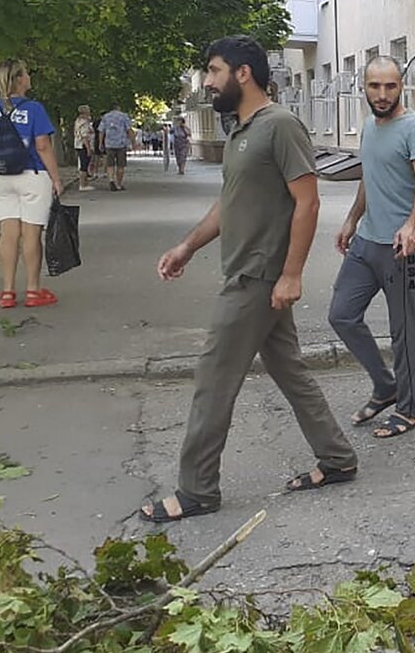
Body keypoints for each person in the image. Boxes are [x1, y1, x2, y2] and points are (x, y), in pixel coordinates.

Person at [139, 35, 357, 523]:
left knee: (213, 381)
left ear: (243, 73)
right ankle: (338, 457)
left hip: (257, 277)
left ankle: (196, 489)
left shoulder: (280, 126)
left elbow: (308, 201)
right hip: (248, 271)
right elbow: (229, 202)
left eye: (214, 71)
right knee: (289, 371)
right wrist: (187, 246)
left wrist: (292, 274)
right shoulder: (241, 131)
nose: (209, 81)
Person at [328, 55, 415, 439]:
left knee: (403, 332)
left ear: (401, 86)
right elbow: (368, 176)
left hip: (400, 247)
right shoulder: (369, 128)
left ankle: (410, 409)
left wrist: (411, 225)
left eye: (390, 86)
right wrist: (351, 220)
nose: (383, 93)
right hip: (366, 241)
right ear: (364, 88)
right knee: (341, 314)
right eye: (375, 86)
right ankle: (385, 385)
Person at [0, 59, 65, 309]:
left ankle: (6, 292)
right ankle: (33, 290)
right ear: (18, 79)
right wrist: (56, 179)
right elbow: (43, 145)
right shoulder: (34, 108)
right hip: (32, 175)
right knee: (31, 233)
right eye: (26, 73)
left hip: (1, 178)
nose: (29, 76)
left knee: (8, 234)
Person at [98, 103, 134, 191]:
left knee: (110, 164)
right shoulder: (124, 116)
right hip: (121, 144)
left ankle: (111, 180)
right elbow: (129, 130)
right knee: (120, 165)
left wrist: (100, 143)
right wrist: (133, 142)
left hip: (109, 144)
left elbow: (101, 131)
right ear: (118, 108)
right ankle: (119, 184)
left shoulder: (105, 117)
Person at [74, 105, 95, 191]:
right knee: (84, 165)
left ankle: (84, 183)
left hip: (78, 144)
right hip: (83, 145)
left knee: (83, 164)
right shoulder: (84, 122)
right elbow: (84, 136)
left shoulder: (78, 121)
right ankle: (82, 184)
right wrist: (88, 148)